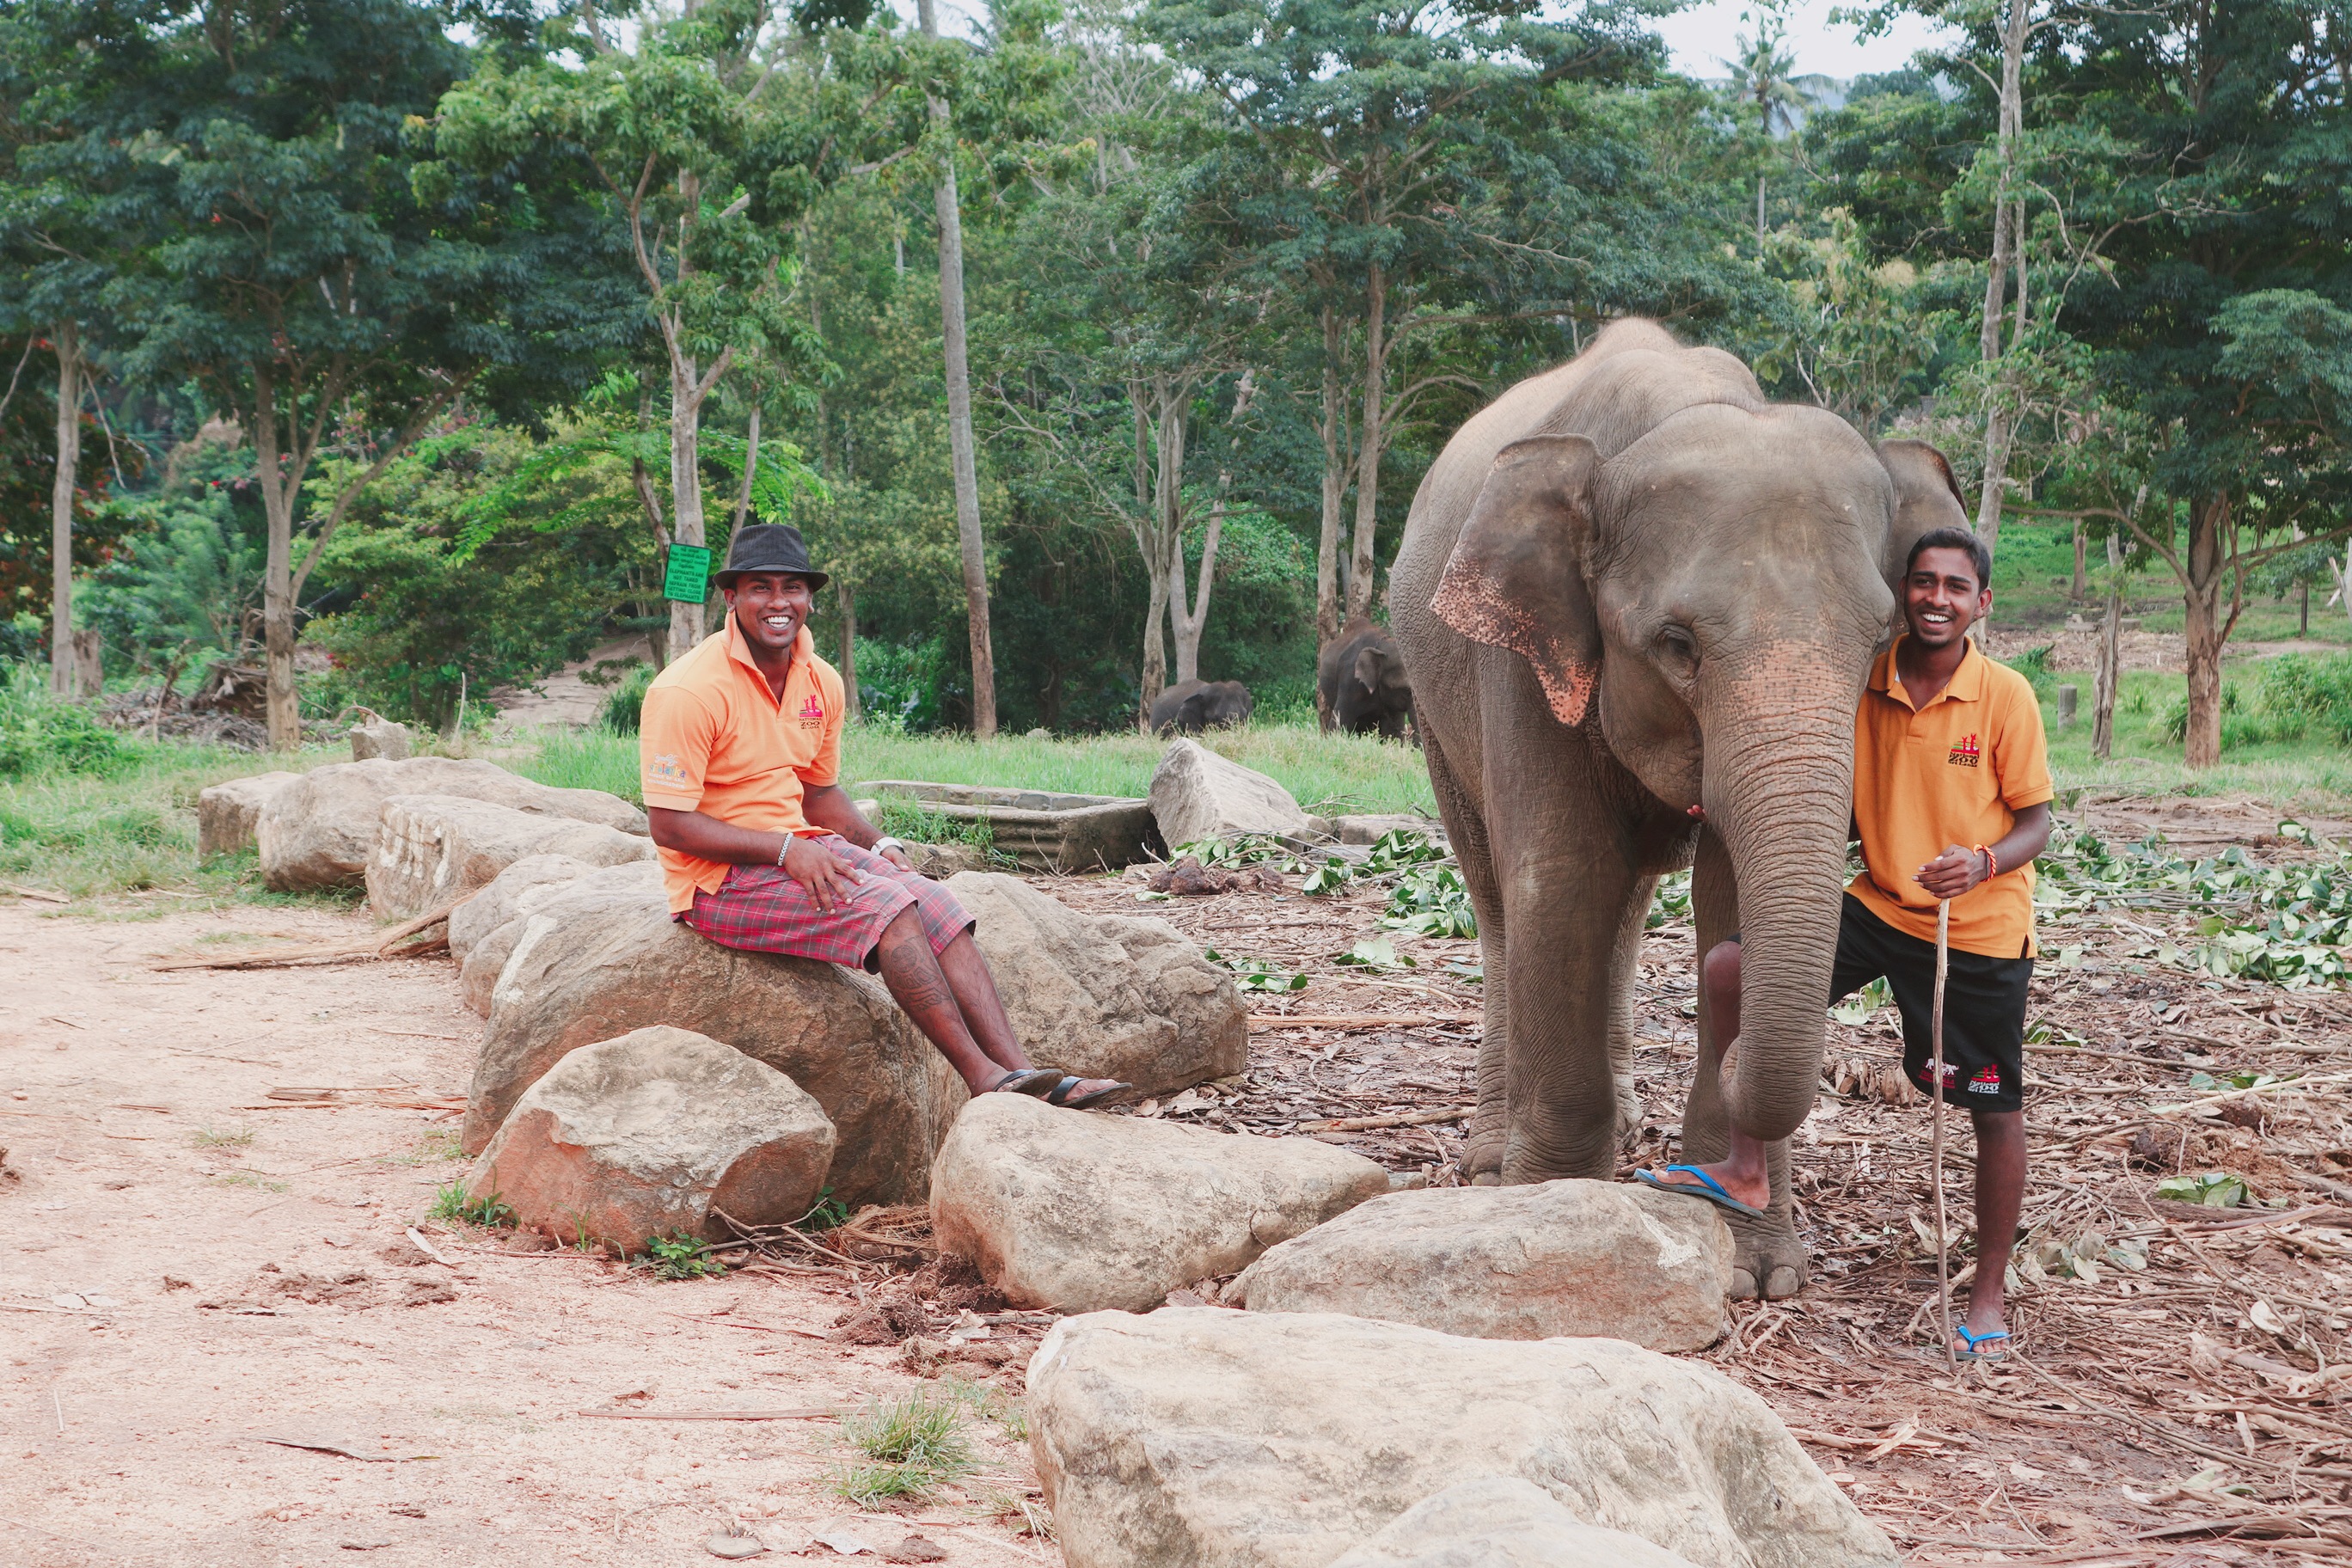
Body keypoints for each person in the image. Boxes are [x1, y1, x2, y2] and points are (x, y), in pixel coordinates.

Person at [1640, 525, 2052, 1362]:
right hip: (1879, 905)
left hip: (1972, 929)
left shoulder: (2005, 696)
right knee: (1731, 968)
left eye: (1956, 587)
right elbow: (1816, 780)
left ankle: (1988, 1289)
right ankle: (1747, 1164)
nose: (1938, 598)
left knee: (1991, 1109)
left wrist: (1980, 862)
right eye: (1924, 582)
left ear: (1983, 604)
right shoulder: (1862, 682)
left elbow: (2038, 821)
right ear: (1903, 591)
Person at [638, 521, 1130, 1109]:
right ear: (732, 597)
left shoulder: (818, 678)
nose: (778, 603)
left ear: (808, 597)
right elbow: (668, 826)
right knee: (888, 908)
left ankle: (1028, 1074)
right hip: (717, 882)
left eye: (791, 588)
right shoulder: (689, 690)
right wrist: (785, 850)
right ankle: (984, 1079)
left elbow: (819, 795)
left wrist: (877, 844)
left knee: (936, 902)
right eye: (760, 588)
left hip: (798, 849)